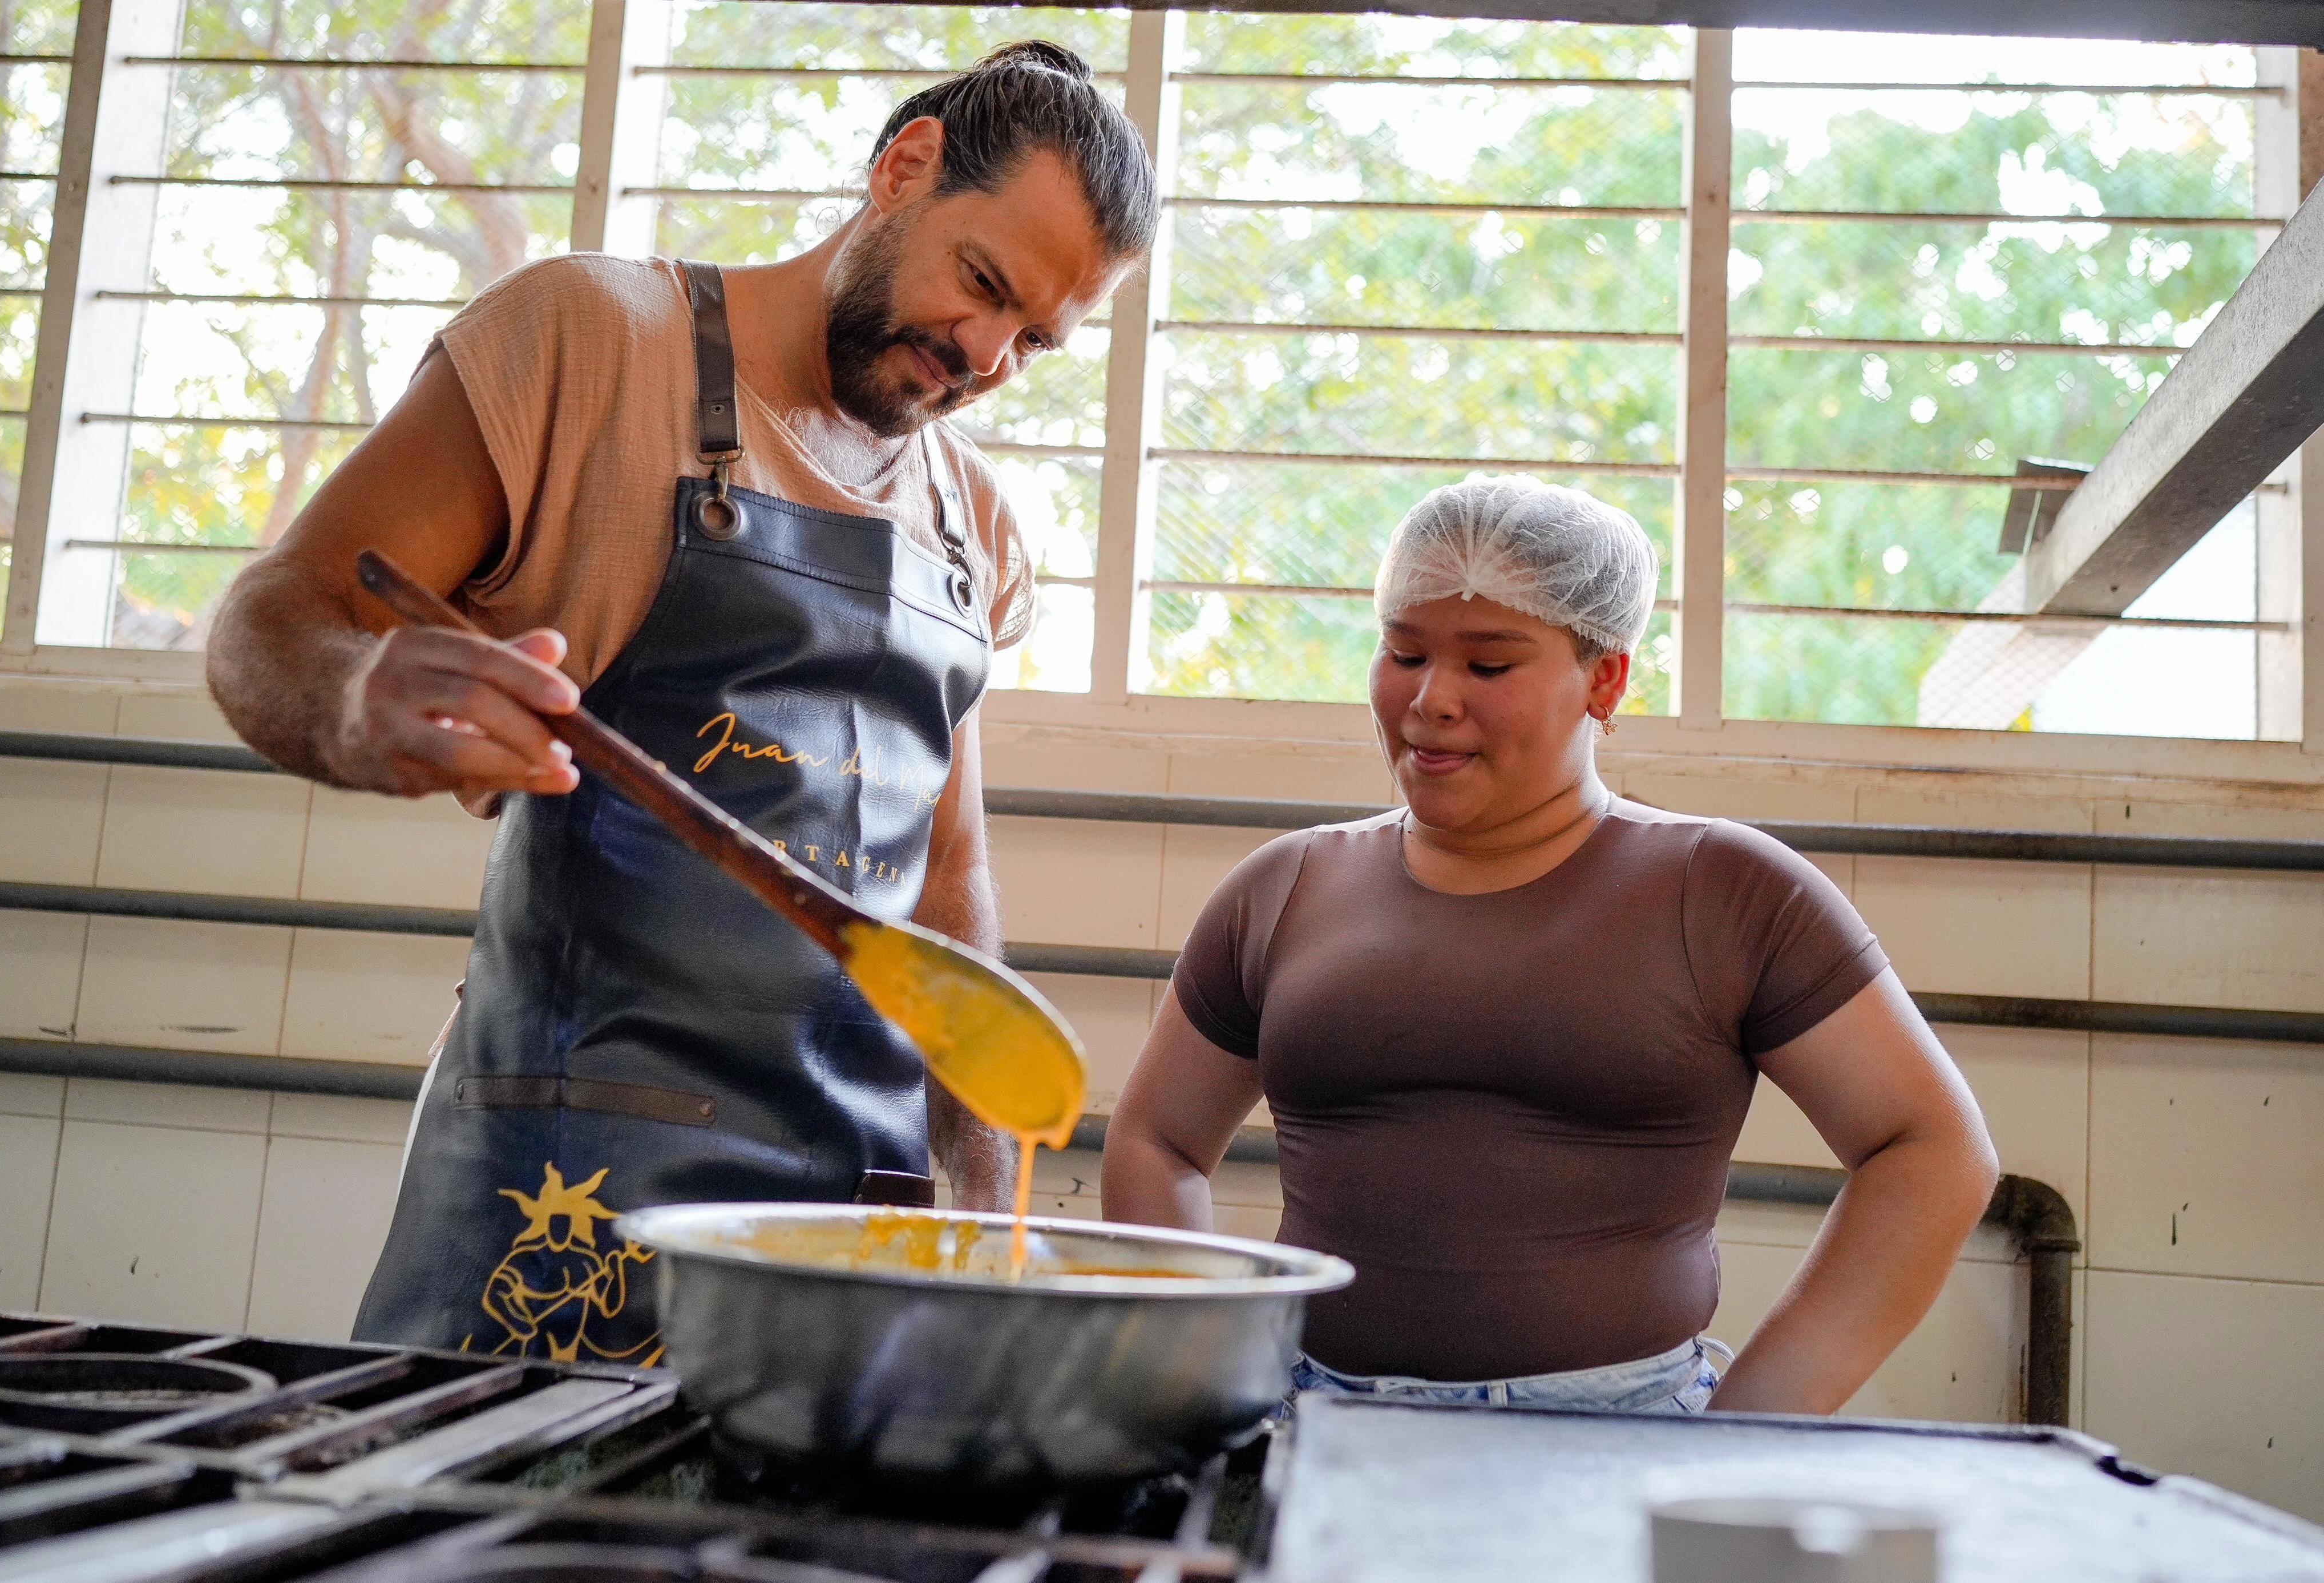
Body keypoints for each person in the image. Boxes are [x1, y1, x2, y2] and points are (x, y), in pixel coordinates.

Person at [206, 42, 1158, 1363]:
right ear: (904, 170)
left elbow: (951, 884)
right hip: (569, 1215)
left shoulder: (972, 525)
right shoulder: (593, 342)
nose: (983, 353)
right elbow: (275, 612)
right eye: (982, 282)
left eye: (1035, 340)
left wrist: (985, 1202)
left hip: (845, 1248)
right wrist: (358, 696)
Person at [1101, 478, 1999, 1416]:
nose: (1432, 699)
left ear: (1604, 679)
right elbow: (1157, 1137)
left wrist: (1747, 1425)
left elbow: (1933, 1149)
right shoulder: (1285, 889)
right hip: (1314, 1419)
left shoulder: (1725, 889)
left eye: (1489, 666)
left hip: (1623, 1434)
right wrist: (1195, 1371)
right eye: (1404, 651)